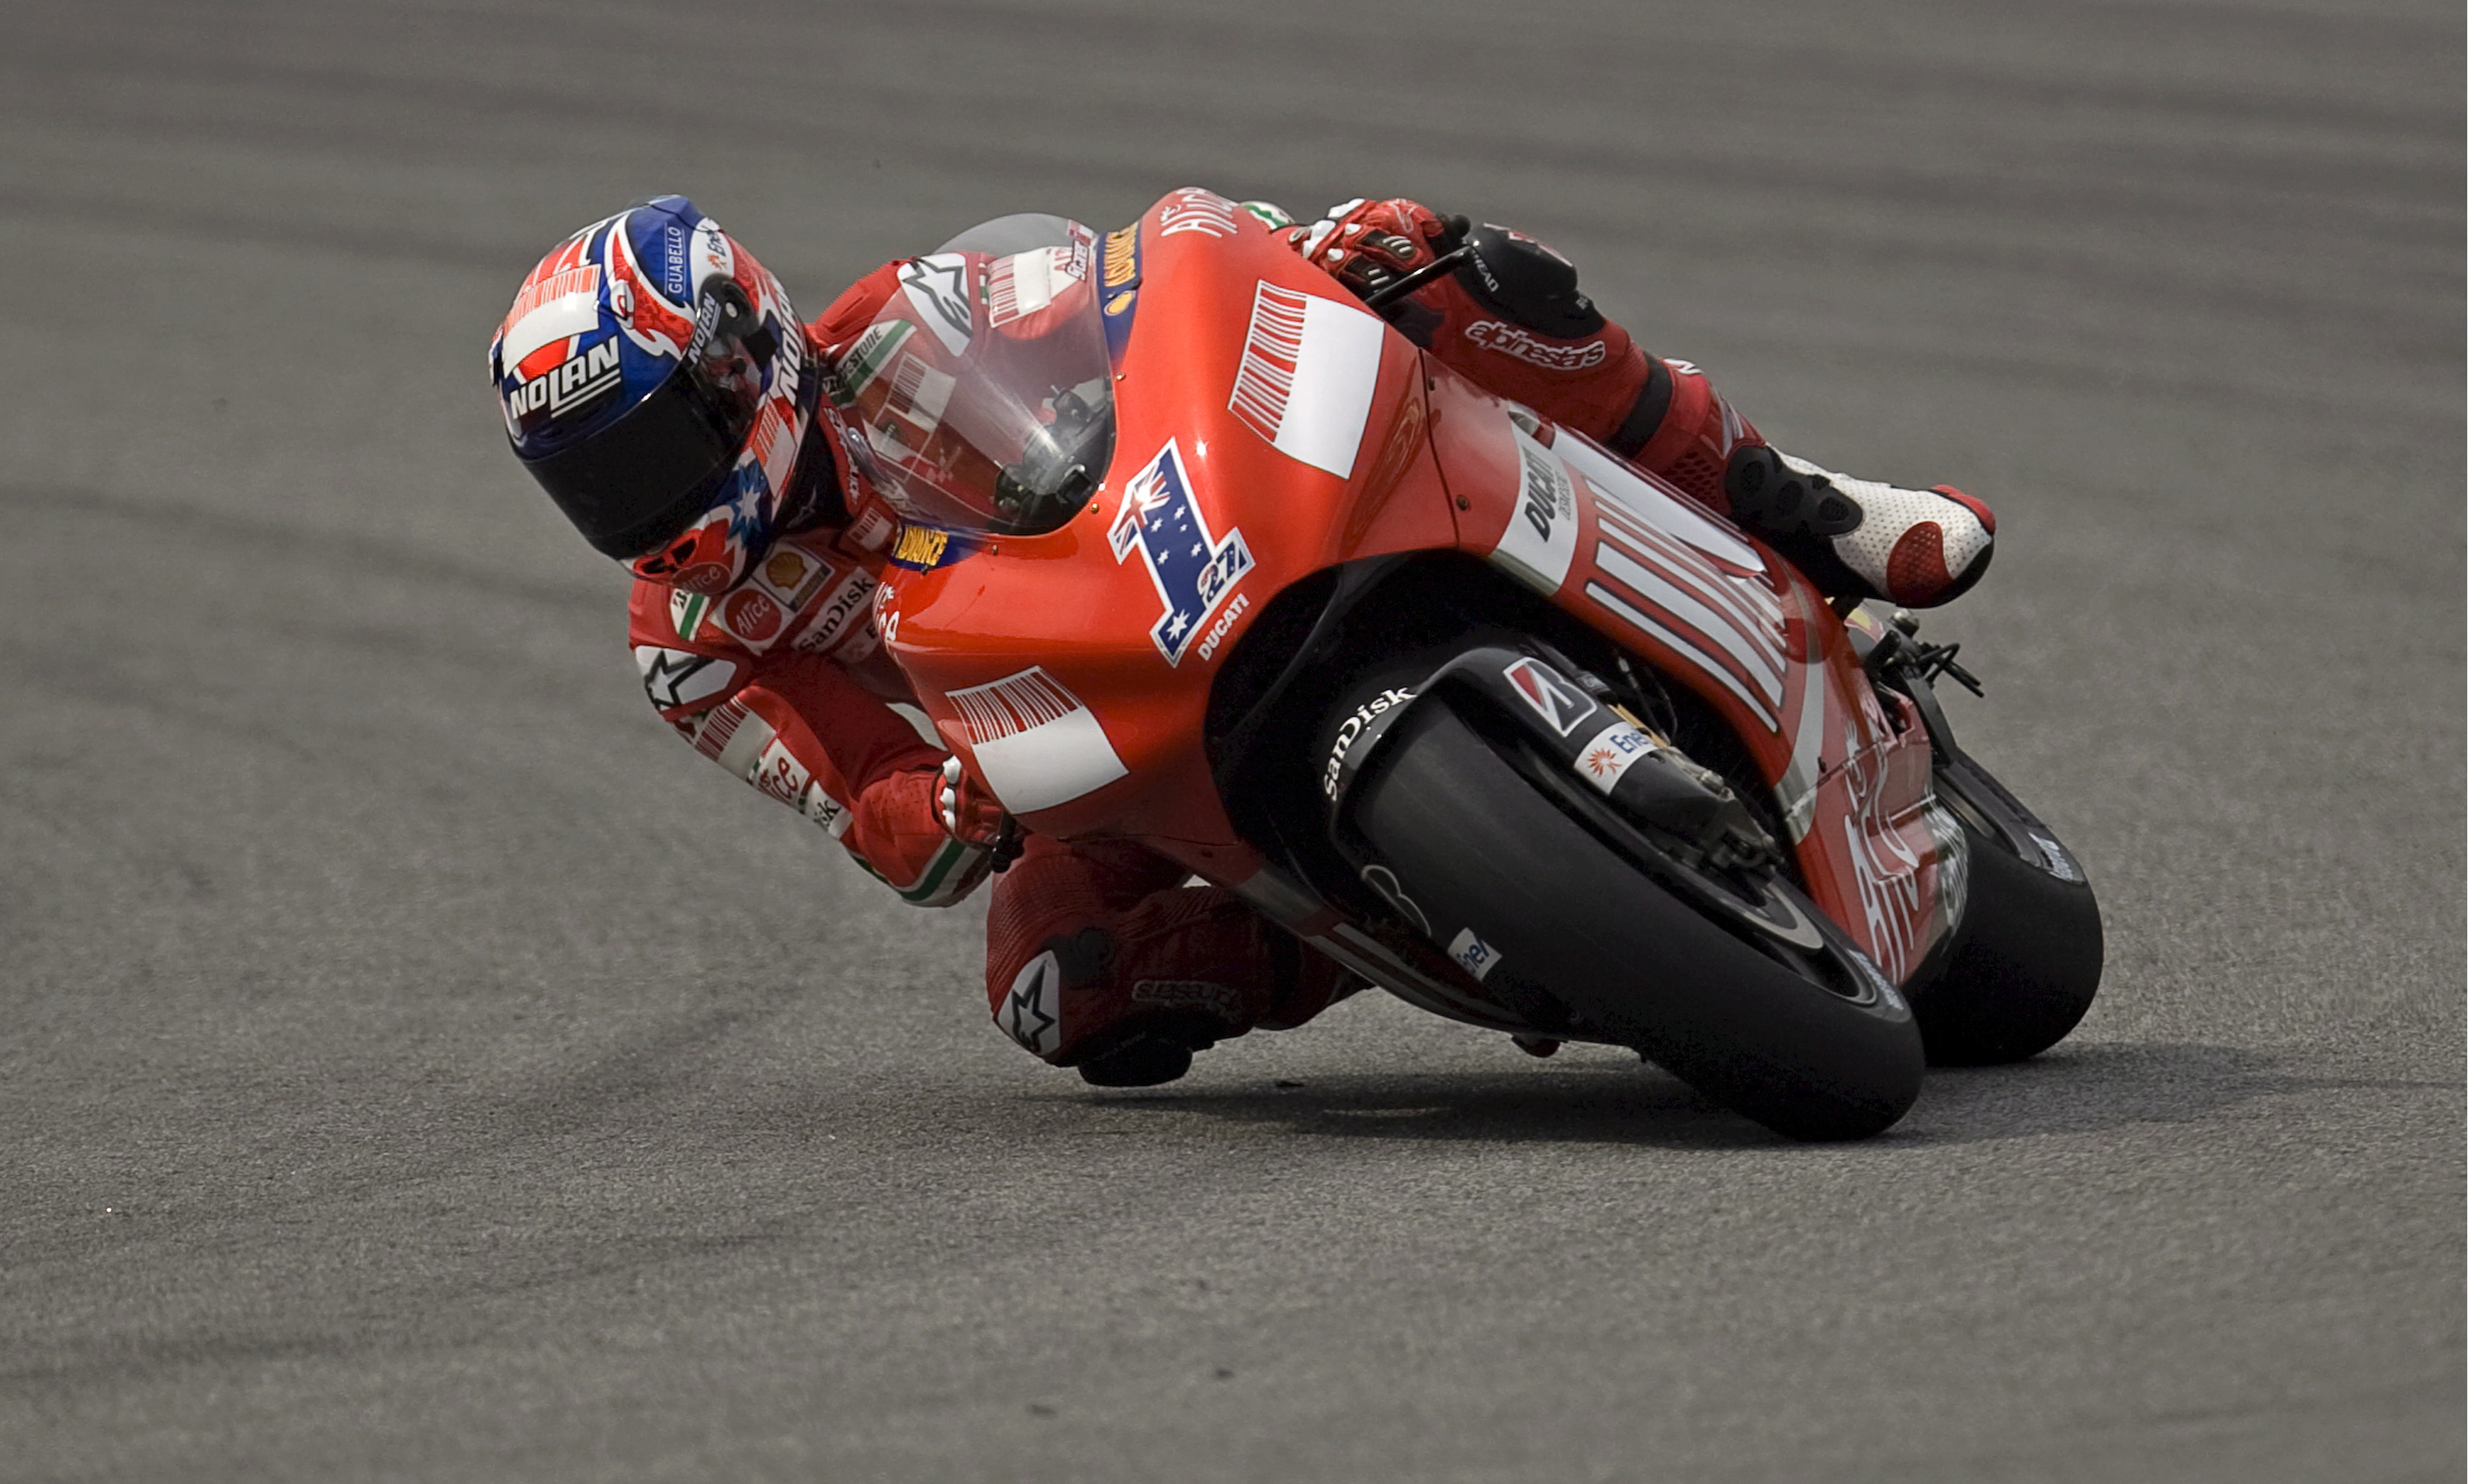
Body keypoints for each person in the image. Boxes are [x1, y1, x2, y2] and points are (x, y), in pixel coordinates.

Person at [489, 191, 1998, 1087]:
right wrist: (943, 802)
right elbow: (874, 813)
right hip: (1073, 736)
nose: (649, 507)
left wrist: (1299, 244)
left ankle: (1801, 503)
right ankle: (1445, 905)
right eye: (597, 488)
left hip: (1188, 534)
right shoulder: (692, 642)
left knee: (1422, 254)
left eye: (651, 450)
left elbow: (1141, 293)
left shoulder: (911, 319)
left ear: (742, 354)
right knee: (1055, 989)